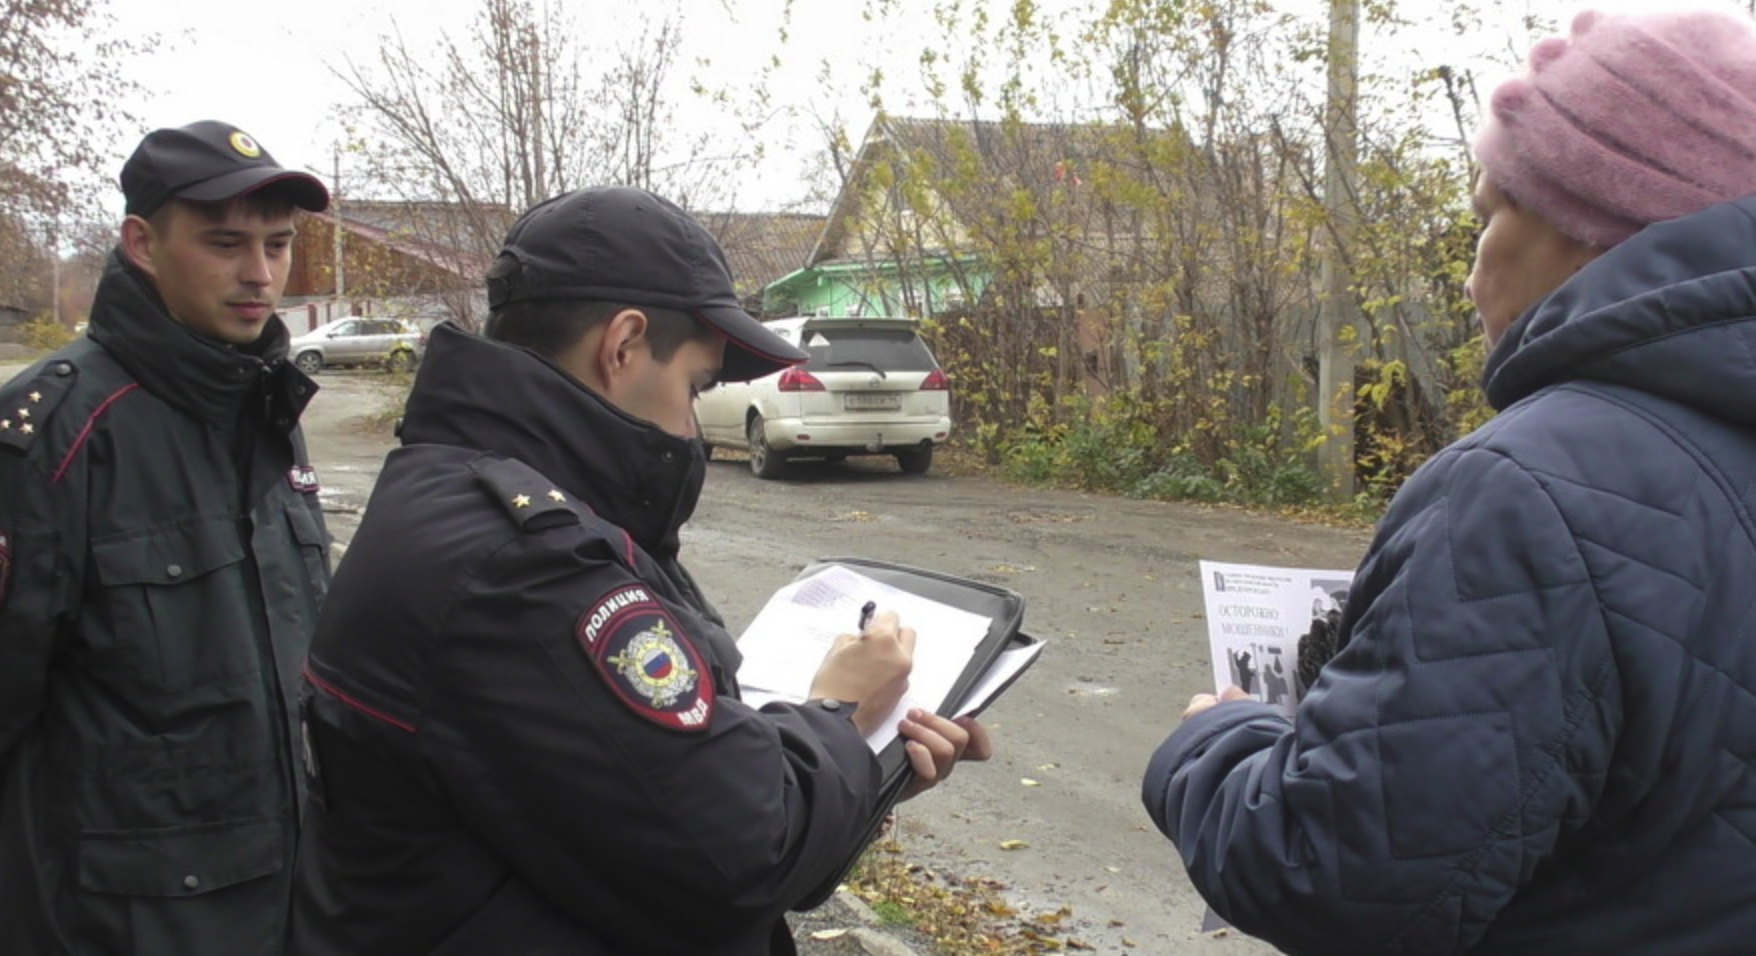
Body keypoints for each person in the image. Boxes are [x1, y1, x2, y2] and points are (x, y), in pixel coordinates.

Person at [1142, 9, 1756, 955]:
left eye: (1487, 218)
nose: (1471, 276)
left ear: (1591, 225)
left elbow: (1337, 879)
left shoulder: (1526, 489)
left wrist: (1211, 744)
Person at [290, 185, 991, 955]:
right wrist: (839, 714)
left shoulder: (461, 489)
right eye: (695, 386)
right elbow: (739, 860)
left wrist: (867, 770)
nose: (692, 426)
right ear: (622, 345)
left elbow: (636, 822)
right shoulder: (522, 566)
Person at [0, 121, 332, 955]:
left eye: (277, 245)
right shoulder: (55, 432)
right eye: (225, 244)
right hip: (125, 922)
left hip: (290, 903)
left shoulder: (269, 409)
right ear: (142, 244)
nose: (260, 274)